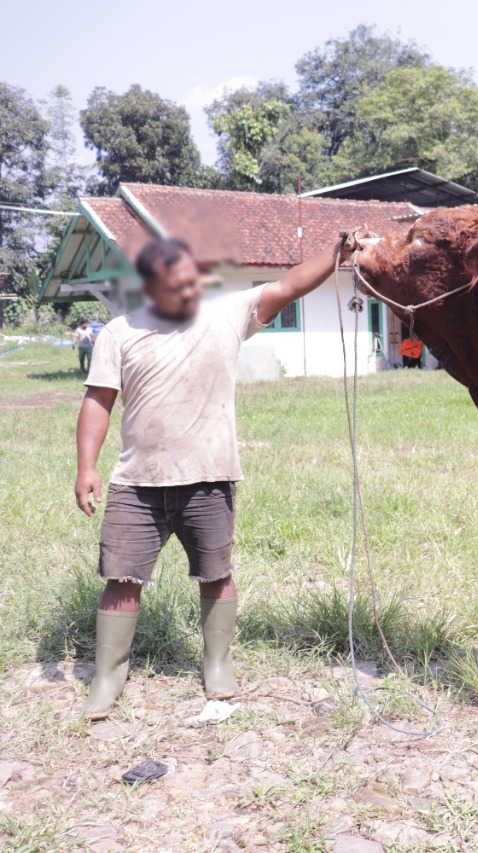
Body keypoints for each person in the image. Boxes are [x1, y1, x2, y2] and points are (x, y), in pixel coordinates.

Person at [74, 231, 365, 720]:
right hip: (136, 482)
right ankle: (108, 675)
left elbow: (289, 286)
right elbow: (98, 400)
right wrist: (86, 467)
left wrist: (337, 254)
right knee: (121, 579)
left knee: (216, 574)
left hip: (209, 476)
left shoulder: (226, 316)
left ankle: (217, 663)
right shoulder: (119, 332)